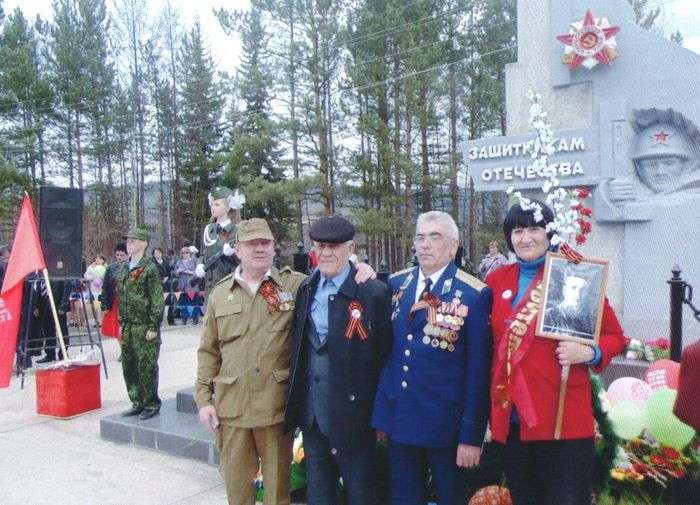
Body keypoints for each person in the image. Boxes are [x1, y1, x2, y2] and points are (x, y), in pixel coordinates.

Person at [196, 217, 376, 505]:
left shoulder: (296, 286)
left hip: (274, 409)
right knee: (238, 491)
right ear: (238, 250)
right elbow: (208, 351)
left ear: (273, 249)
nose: (259, 249)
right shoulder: (220, 294)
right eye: (251, 244)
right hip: (232, 409)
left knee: (278, 494)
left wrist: (361, 269)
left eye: (265, 243)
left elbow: (335, 276)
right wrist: (204, 399)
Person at [486, 201, 628, 505]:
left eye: (534, 229)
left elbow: (616, 336)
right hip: (513, 419)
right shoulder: (497, 281)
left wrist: (588, 352)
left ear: (549, 233)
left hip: (562, 420)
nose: (525, 238)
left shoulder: (573, 275)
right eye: (518, 230)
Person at [372, 211, 493, 505]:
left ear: (453, 247)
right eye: (420, 237)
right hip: (400, 419)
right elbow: (387, 352)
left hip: (446, 427)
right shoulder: (396, 284)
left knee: (449, 497)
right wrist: (382, 415)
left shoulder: (473, 294)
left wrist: (471, 435)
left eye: (434, 237)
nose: (424, 245)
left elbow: (478, 372)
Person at [284, 215, 392, 505]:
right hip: (314, 418)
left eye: (334, 246)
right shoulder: (306, 289)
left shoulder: (372, 292)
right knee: (319, 496)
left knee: (362, 496)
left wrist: (381, 414)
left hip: (354, 418)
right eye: (320, 246)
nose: (327, 252)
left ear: (350, 247)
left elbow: (384, 357)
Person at [116, 227, 164, 420]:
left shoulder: (149, 268)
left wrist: (153, 326)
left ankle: (151, 404)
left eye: (133, 241)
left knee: (147, 366)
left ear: (143, 244)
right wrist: (121, 322)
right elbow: (123, 298)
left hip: (144, 326)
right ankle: (137, 401)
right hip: (128, 325)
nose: (129, 244)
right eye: (128, 241)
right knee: (129, 365)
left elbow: (157, 300)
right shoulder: (123, 267)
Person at [194, 186, 245, 292]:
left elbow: (245, 259)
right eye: (212, 204)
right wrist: (199, 264)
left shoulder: (237, 230)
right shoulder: (209, 229)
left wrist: (233, 254)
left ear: (228, 207)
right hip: (209, 285)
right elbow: (203, 254)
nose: (213, 207)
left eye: (217, 204)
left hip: (230, 284)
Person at [542, 272, 596, 339]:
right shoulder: (548, 315)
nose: (578, 294)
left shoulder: (590, 320)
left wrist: (592, 349)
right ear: (564, 290)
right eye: (573, 288)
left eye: (583, 290)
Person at [100, 243, 128, 339]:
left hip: (127, 301)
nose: (119, 257)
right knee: (116, 329)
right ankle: (123, 351)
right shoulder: (111, 268)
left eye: (122, 255)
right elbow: (105, 286)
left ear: (127, 255)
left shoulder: (131, 267)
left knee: (126, 329)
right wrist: (104, 304)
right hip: (114, 299)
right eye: (117, 255)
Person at [173, 247, 198, 324]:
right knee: (183, 303)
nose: (185, 254)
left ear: (189, 253)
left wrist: (190, 272)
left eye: (187, 252)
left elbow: (198, 272)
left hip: (191, 284)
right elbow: (175, 273)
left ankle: (195, 318)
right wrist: (178, 271)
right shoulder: (178, 262)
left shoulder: (193, 261)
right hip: (182, 284)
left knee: (193, 302)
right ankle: (184, 319)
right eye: (183, 253)